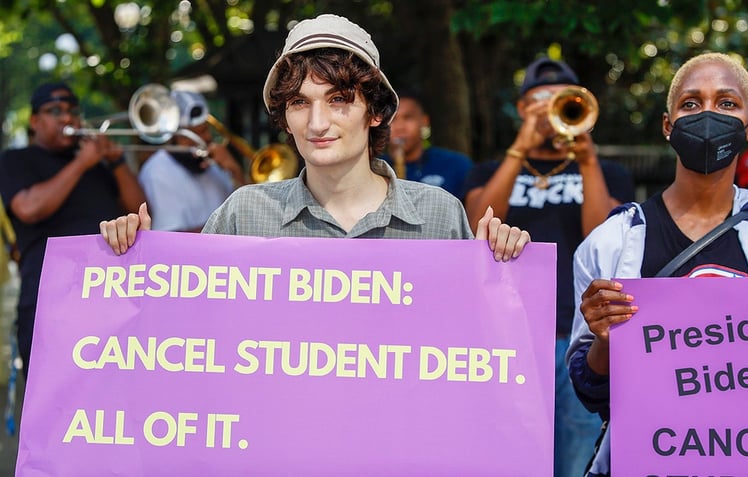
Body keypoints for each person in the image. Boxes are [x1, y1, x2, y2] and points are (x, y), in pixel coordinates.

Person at [566, 52, 748, 477]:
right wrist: (606, 341)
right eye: (690, 103)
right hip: (645, 462)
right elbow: (591, 392)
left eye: (726, 103)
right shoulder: (611, 242)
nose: (708, 114)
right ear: (668, 127)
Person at [100, 14, 529, 267]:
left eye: (339, 99)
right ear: (285, 117)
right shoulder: (244, 214)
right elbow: (189, 330)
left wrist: (503, 265)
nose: (317, 122)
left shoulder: (438, 215)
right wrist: (135, 261)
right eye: (300, 103)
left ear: (375, 110)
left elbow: (470, 346)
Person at [463, 57, 635, 477]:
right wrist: (521, 147)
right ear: (523, 109)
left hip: (576, 338)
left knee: (579, 461)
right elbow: (475, 225)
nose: (550, 111)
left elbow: (605, 236)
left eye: (561, 101)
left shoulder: (608, 171)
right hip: (507, 338)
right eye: (540, 101)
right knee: (508, 460)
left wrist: (587, 158)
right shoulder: (488, 169)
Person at [0, 82, 146, 378]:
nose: (67, 118)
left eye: (72, 111)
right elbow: (28, 208)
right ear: (34, 121)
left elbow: (140, 209)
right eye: (55, 111)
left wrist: (116, 161)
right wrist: (82, 162)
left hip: (108, 296)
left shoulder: (98, 167)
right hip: (49, 298)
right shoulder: (16, 160)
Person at [138, 90, 246, 232]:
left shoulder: (213, 163)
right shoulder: (157, 170)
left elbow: (247, 212)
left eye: (205, 130)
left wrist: (235, 170)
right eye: (192, 134)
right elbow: (171, 238)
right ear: (172, 136)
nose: (204, 139)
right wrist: (227, 228)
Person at [381, 89, 473, 198]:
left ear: (424, 121)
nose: (400, 127)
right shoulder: (375, 169)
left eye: (408, 118)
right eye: (393, 119)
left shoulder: (456, 165)